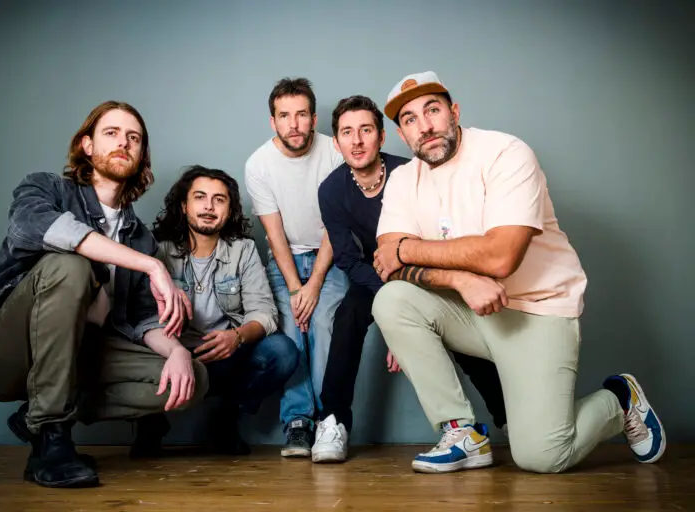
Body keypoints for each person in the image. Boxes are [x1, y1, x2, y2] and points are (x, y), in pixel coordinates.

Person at [371, 71, 665, 474]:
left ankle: (621, 400)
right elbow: (387, 264)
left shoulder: (506, 153)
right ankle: (462, 433)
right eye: (410, 119)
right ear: (402, 134)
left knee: (543, 456)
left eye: (432, 110)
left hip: (536, 314)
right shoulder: (404, 179)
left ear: (454, 112)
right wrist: (459, 279)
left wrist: (407, 249)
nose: (425, 126)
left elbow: (500, 257)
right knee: (392, 300)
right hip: (471, 310)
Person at [0, 101, 208, 488]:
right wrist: (152, 266)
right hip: (1, 356)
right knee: (71, 266)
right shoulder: (45, 188)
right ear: (87, 146)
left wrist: (178, 352)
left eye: (134, 138)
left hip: (80, 356)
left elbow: (140, 319)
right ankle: (51, 431)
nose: (123, 142)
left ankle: (39, 417)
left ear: (141, 155)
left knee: (193, 377)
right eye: (111, 133)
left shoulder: (139, 237)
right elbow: (41, 228)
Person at [312, 95, 508, 463]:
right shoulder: (331, 190)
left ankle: (508, 417)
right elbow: (349, 260)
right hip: (373, 274)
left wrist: (408, 313)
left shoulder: (412, 172)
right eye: (347, 133)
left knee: (452, 323)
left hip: (422, 270)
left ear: (382, 137)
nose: (357, 141)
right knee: (348, 315)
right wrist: (396, 314)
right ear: (336, 142)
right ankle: (333, 419)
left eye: (366, 130)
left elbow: (437, 238)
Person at [137, 165, 300, 456]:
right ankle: (150, 422)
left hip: (224, 355)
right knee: (131, 348)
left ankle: (226, 419)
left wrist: (237, 337)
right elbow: (141, 316)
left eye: (219, 199)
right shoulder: (157, 251)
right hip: (168, 355)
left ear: (230, 209)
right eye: (200, 197)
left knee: (283, 351)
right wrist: (175, 350)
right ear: (184, 205)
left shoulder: (243, 250)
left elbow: (264, 313)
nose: (209, 207)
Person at [245, 77, 348, 457]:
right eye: (285, 116)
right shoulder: (258, 164)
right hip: (284, 260)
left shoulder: (334, 152)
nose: (294, 124)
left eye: (302, 115)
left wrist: (315, 283)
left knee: (322, 324)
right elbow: (273, 234)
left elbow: (337, 225)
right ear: (272, 121)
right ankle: (298, 422)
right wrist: (294, 289)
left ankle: (328, 420)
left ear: (314, 118)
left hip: (330, 257)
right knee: (291, 329)